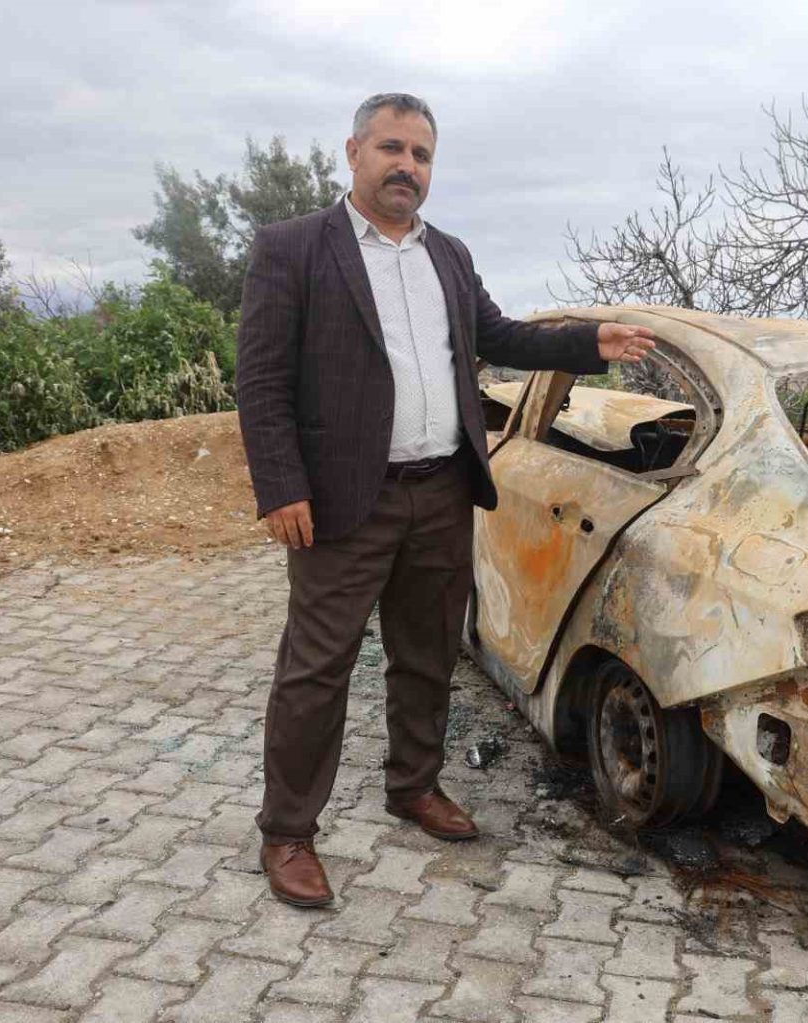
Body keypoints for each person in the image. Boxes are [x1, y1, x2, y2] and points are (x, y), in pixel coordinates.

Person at [234, 92, 655, 907]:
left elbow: (500, 336)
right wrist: (281, 486)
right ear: (354, 152)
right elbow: (260, 380)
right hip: (341, 502)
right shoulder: (293, 248)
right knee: (315, 670)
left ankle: (413, 785)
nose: (407, 166)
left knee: (428, 654)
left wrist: (587, 342)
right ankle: (287, 830)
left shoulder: (450, 257)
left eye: (421, 155)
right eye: (392, 148)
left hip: (440, 491)